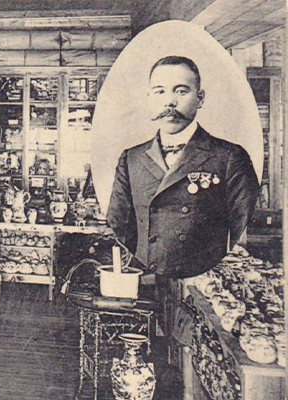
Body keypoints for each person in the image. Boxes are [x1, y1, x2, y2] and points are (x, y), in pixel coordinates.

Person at [106, 55, 260, 278]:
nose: (170, 102)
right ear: (149, 98)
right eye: (160, 91)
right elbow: (118, 225)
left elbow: (242, 232)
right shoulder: (131, 158)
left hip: (200, 282)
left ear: (200, 98)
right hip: (144, 282)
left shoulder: (230, 157)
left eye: (181, 91)